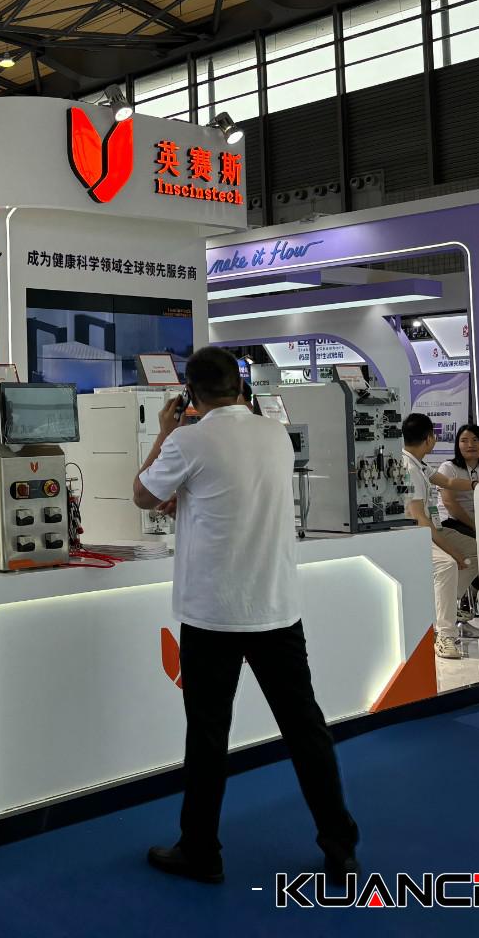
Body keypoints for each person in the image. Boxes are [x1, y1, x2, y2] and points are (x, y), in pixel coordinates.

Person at [134, 346, 359, 884]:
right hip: (275, 607)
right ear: (241, 386)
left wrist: (164, 433)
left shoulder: (188, 440)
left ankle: (200, 850)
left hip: (212, 612)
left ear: (190, 394)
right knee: (306, 730)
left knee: (208, 735)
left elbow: (142, 495)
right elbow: (231, 491)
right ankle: (341, 847)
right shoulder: (274, 434)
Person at [402, 414, 479, 661]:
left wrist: (477, 484)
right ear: (430, 438)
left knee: (478, 552)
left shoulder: (419, 464)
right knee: (447, 564)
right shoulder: (409, 468)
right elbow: (419, 518)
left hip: (432, 528)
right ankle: (444, 634)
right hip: (416, 532)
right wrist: (452, 551)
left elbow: (448, 481)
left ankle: (445, 607)